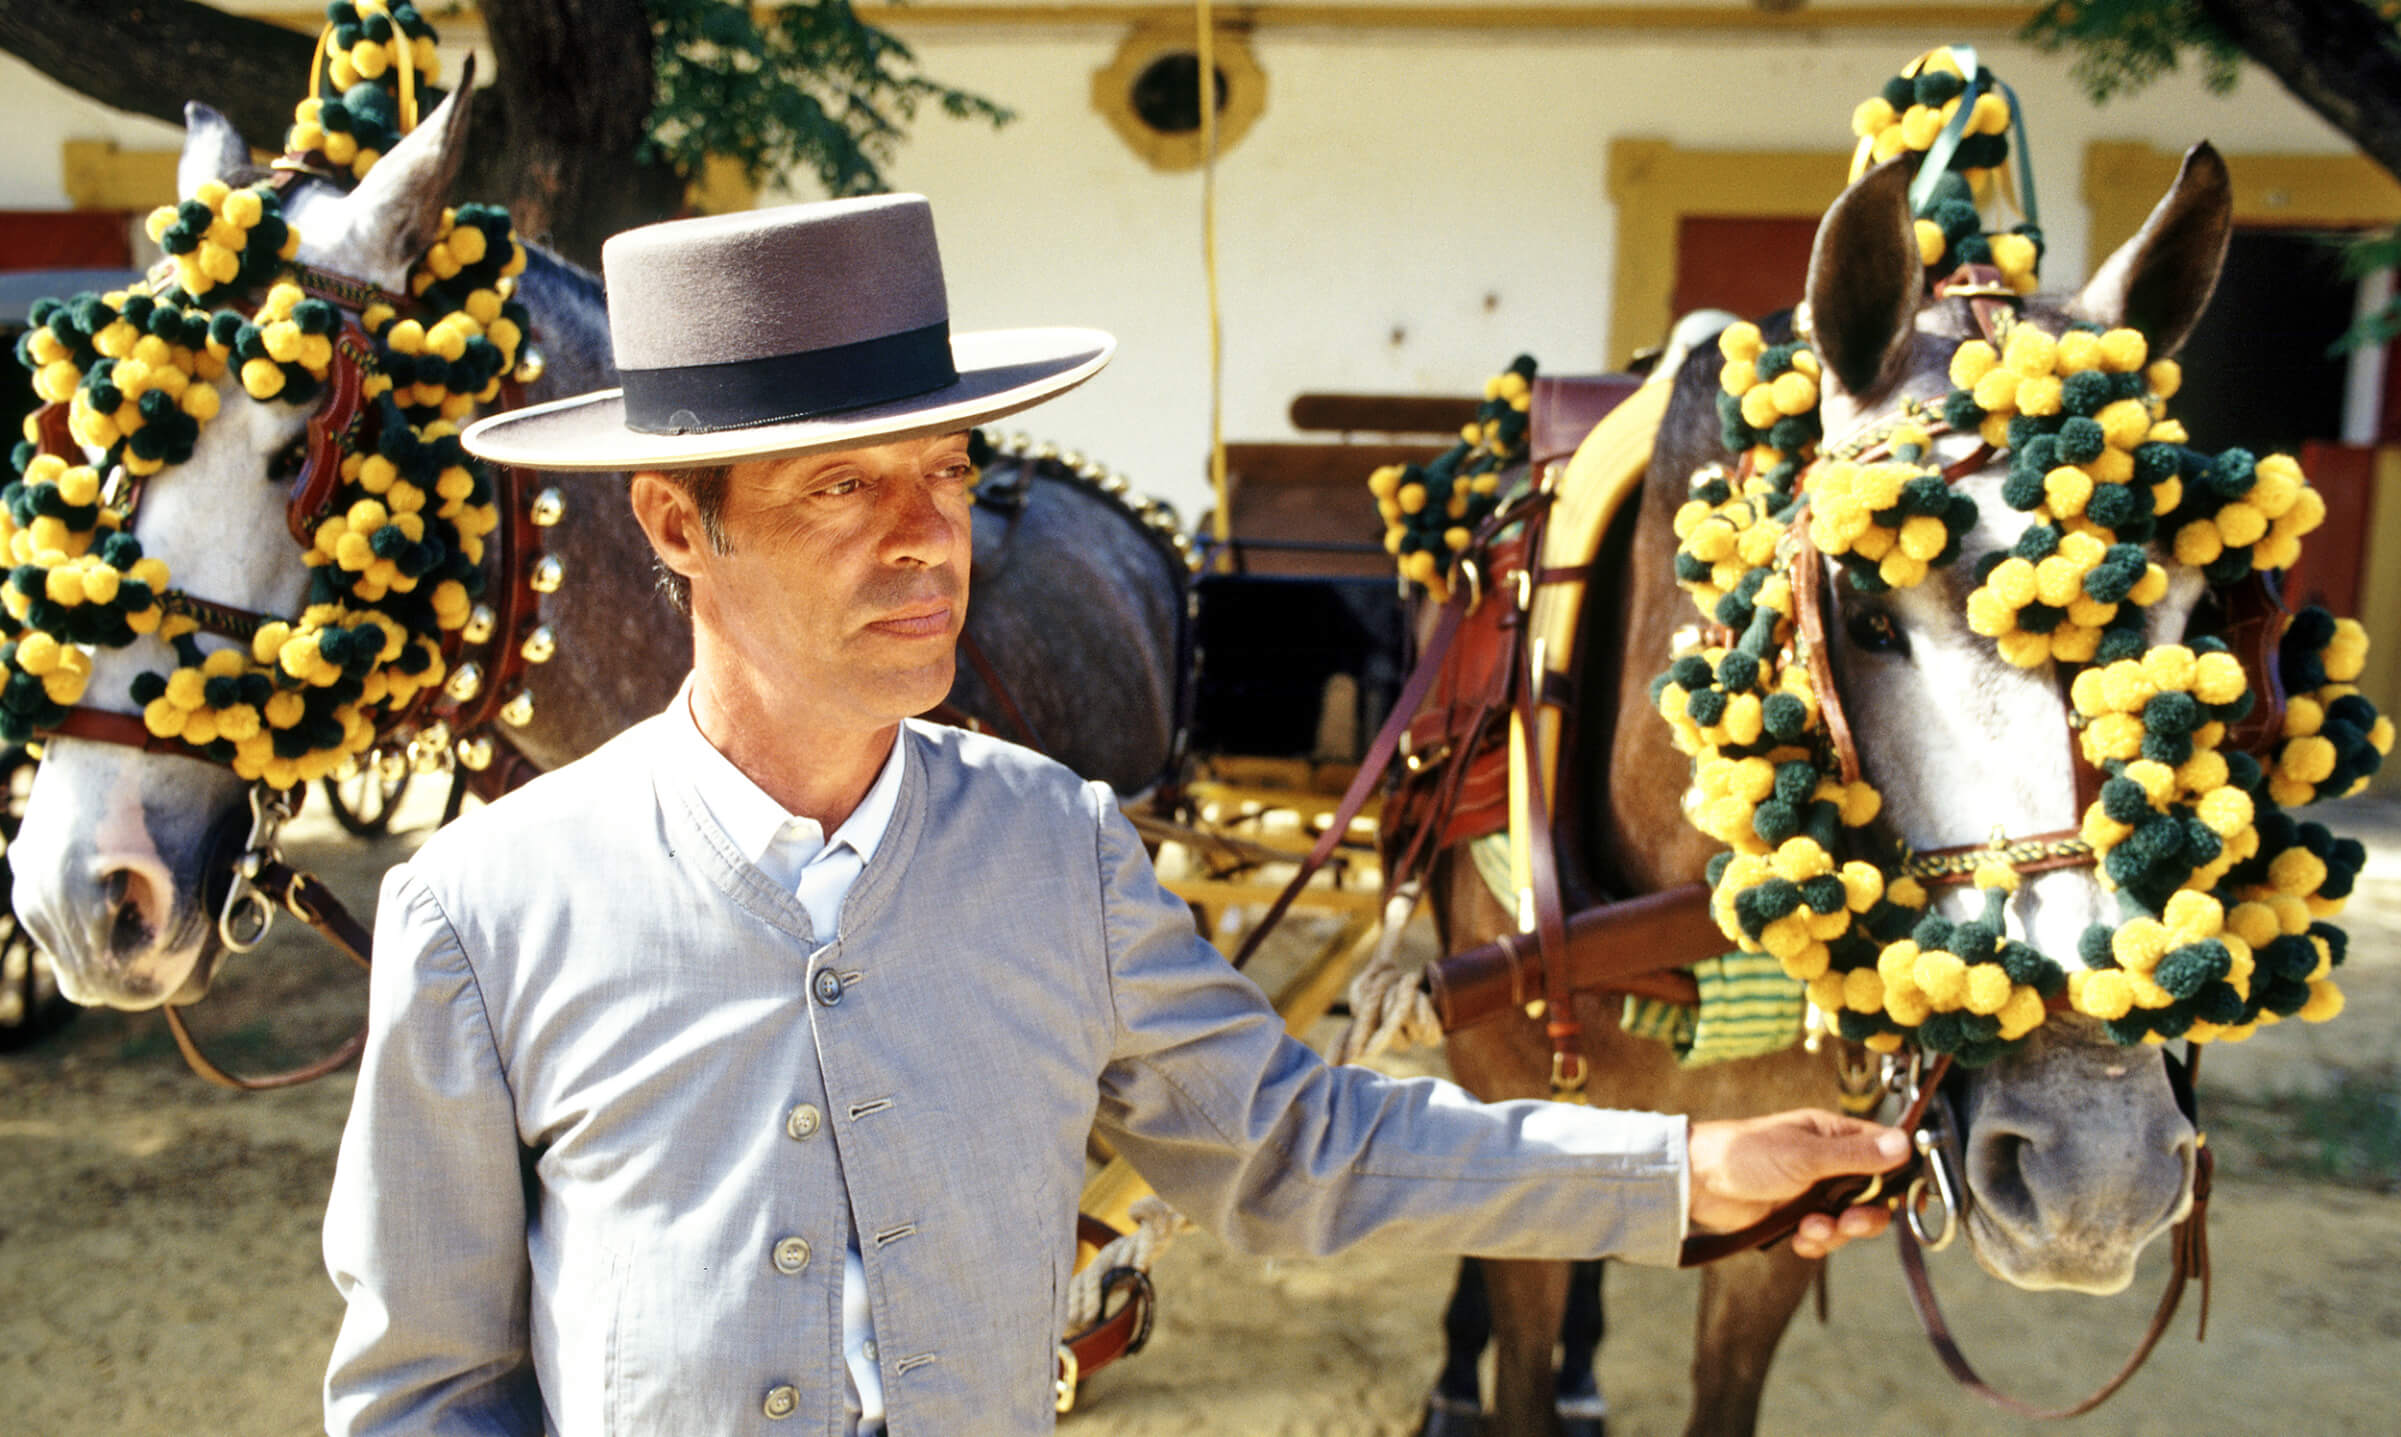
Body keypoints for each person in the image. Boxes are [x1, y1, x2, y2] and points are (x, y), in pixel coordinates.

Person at [322, 195, 1904, 1437]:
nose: (928, 538)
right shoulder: (483, 904)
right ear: (675, 521)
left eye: (945, 471)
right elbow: (420, 1389)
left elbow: (1293, 1143)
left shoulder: (1056, 849)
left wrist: (1682, 1175)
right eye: (840, 488)